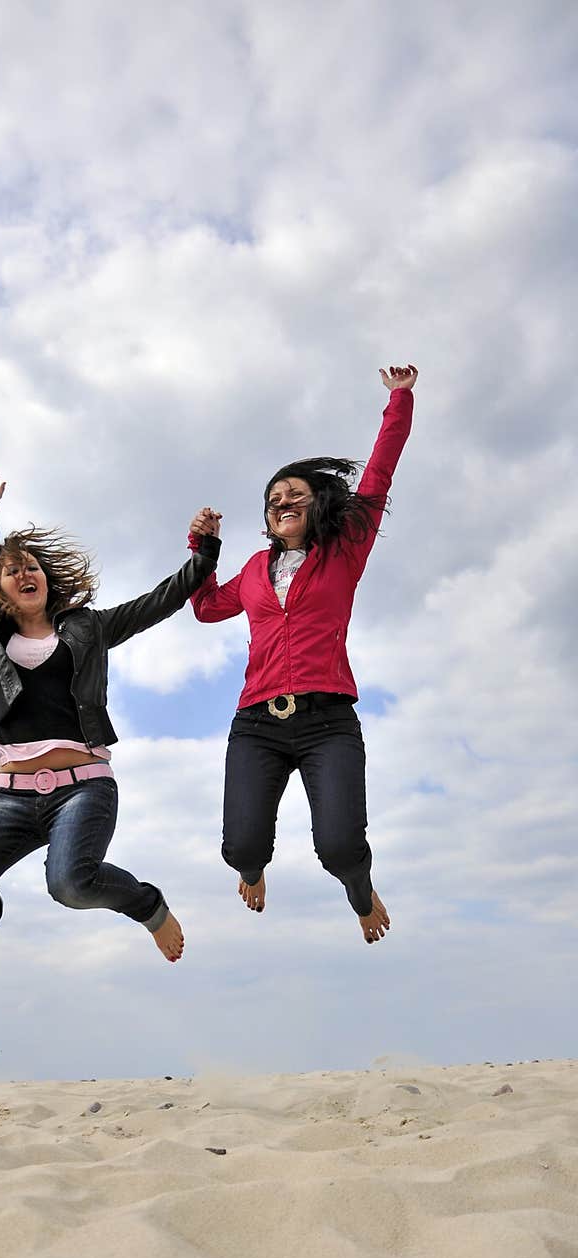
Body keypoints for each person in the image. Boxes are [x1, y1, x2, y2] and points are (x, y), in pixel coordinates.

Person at [0, 472, 222, 967]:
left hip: (82, 788)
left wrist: (205, 555)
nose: (25, 573)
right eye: (12, 571)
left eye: (32, 567)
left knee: (69, 885)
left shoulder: (89, 626)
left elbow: (157, 603)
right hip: (12, 797)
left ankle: (148, 906)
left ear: (46, 579)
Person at [188, 364, 418, 945]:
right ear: (267, 518)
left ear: (317, 506)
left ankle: (361, 894)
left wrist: (398, 400)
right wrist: (202, 548)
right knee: (240, 846)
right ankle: (252, 870)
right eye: (273, 499)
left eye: (295, 494)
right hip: (257, 723)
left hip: (328, 721)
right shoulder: (252, 572)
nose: (283, 501)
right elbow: (207, 608)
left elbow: (378, 476)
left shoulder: (345, 550)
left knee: (338, 846)